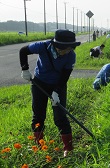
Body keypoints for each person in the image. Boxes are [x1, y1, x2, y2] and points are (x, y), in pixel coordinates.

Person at [19, 29, 81, 157]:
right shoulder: (42, 46)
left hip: (58, 85)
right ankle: (39, 145)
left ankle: (68, 149)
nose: (69, 51)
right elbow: (23, 51)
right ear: (58, 46)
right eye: (67, 48)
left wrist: (56, 92)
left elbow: (65, 77)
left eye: (70, 48)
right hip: (39, 83)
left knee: (60, 117)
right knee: (38, 115)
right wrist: (25, 69)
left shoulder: (71, 56)